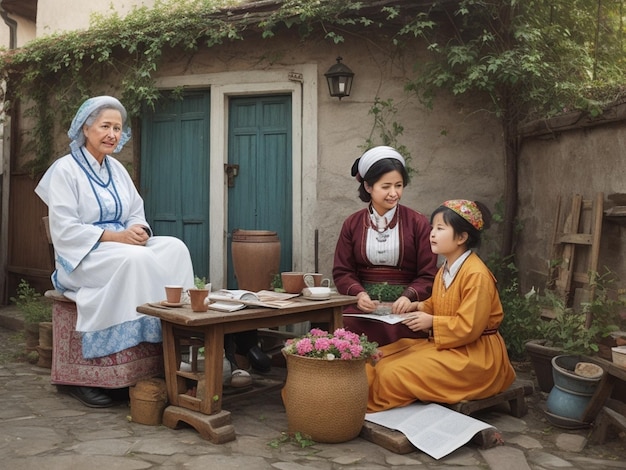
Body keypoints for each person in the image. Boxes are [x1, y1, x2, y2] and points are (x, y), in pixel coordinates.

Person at [35, 96, 195, 408]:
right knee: (135, 258)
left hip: (120, 246)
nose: (112, 134)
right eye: (105, 126)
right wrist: (118, 237)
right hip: (83, 256)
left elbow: (136, 211)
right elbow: (65, 230)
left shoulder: (117, 169)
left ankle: (177, 337)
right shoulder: (65, 171)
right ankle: (100, 373)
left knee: (175, 248)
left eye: (117, 128)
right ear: (85, 128)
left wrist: (140, 230)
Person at [366, 199, 516, 412]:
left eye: (440, 228)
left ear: (462, 237)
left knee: (392, 372)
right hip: (451, 346)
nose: (432, 234)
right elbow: (438, 304)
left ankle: (361, 407)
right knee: (380, 357)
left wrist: (431, 322)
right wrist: (416, 306)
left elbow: (469, 326)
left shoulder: (476, 275)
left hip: (475, 357)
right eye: (432, 228)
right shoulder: (445, 269)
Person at [332, 146, 438, 346]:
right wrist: (359, 294)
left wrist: (408, 298)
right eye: (386, 186)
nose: (394, 193)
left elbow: (428, 274)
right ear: (368, 186)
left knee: (405, 326)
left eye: (398, 185)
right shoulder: (352, 224)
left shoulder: (418, 222)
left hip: (406, 306)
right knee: (343, 323)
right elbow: (343, 271)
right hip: (363, 307)